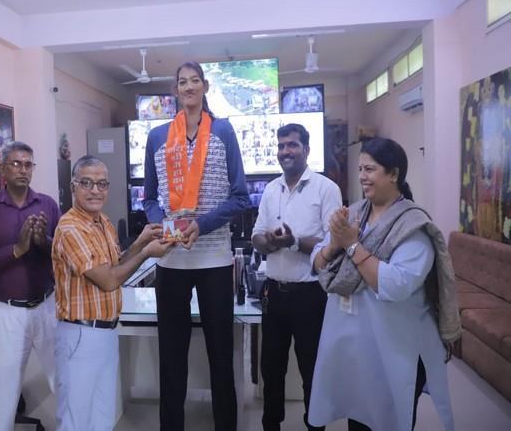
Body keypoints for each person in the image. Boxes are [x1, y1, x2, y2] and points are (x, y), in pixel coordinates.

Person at [307, 137, 462, 431]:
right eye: (361, 168)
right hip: (353, 349)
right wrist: (333, 245)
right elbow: (317, 264)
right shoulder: (354, 214)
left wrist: (352, 245)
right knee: (358, 420)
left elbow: (393, 286)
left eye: (371, 169)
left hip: (393, 350)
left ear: (394, 174)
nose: (363, 176)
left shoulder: (413, 227)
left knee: (388, 420)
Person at [143, 61, 250, 431]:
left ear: (204, 86)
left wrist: (199, 226)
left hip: (215, 260)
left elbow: (240, 197)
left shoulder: (223, 131)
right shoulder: (158, 136)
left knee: (220, 356)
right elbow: (149, 199)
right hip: (171, 261)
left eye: (194, 81)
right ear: (176, 90)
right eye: (181, 82)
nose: (188, 87)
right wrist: (162, 223)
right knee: (171, 358)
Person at [52, 155, 174, 431]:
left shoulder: (102, 222)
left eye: (102, 184)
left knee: (102, 418)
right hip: (80, 336)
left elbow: (114, 265)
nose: (95, 190)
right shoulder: (71, 228)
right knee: (75, 420)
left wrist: (141, 240)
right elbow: (107, 281)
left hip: (106, 331)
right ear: (73, 186)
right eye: (87, 183)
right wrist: (146, 254)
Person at [251, 123, 342, 431]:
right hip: (273, 293)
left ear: (306, 149)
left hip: (310, 295)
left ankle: (314, 426)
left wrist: (294, 242)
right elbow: (256, 238)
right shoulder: (270, 189)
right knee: (271, 371)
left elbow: (333, 246)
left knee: (311, 371)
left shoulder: (326, 189)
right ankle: (270, 426)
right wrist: (271, 242)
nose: (285, 151)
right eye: (281, 146)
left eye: (292, 145)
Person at [0, 141, 60, 431]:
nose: (23, 169)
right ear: (3, 169)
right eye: (16, 164)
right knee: (1, 398)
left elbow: (63, 256)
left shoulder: (48, 205)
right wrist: (15, 250)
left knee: (67, 384)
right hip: (6, 313)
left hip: (47, 307)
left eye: (28, 164)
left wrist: (44, 243)